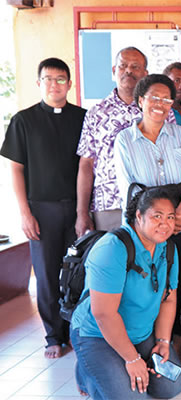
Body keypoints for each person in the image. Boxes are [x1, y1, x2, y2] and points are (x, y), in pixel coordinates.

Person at [113, 73, 181, 373]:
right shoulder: (125, 140)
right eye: (155, 98)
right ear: (140, 100)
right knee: (148, 285)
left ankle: (174, 346)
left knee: (177, 284)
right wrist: (161, 219)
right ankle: (144, 347)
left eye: (167, 99)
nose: (161, 104)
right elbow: (131, 187)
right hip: (147, 226)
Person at [1, 57, 86, 358]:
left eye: (60, 78)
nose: (54, 84)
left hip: (78, 208)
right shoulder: (23, 121)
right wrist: (25, 213)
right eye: (48, 79)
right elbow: (15, 170)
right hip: (41, 209)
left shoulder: (83, 117)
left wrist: (83, 212)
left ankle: (77, 331)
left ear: (70, 83)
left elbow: (88, 167)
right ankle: (53, 336)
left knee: (79, 273)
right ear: (39, 83)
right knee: (47, 275)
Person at [70, 187, 181, 399]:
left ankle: (108, 365)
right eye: (157, 216)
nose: (165, 223)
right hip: (97, 334)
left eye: (170, 217)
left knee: (171, 386)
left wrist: (163, 341)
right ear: (138, 216)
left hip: (140, 333)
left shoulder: (167, 248)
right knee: (132, 397)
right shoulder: (112, 248)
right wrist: (132, 360)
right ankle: (87, 367)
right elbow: (104, 314)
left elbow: (168, 300)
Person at [76, 46, 175, 234]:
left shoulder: (160, 109)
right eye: (123, 66)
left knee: (150, 262)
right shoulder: (96, 113)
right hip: (109, 204)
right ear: (114, 70)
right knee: (113, 260)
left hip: (153, 203)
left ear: (145, 73)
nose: (128, 70)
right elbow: (86, 164)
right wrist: (82, 213)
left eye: (135, 67)